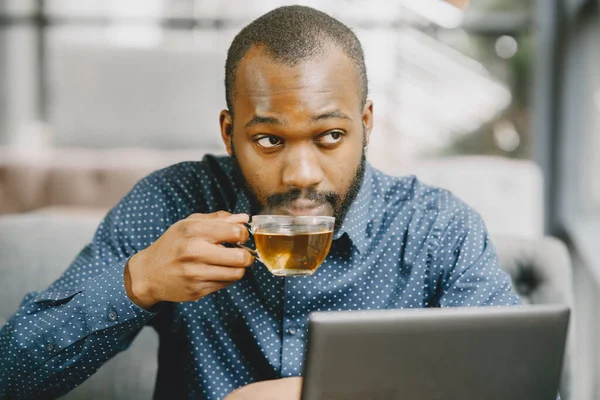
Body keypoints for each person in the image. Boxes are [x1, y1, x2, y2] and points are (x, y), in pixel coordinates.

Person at [0, 5, 521, 400]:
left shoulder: (436, 230)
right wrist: (137, 282)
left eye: (330, 137)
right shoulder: (171, 203)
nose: (301, 174)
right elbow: (10, 373)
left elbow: (522, 386)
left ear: (365, 125)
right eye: (270, 140)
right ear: (230, 134)